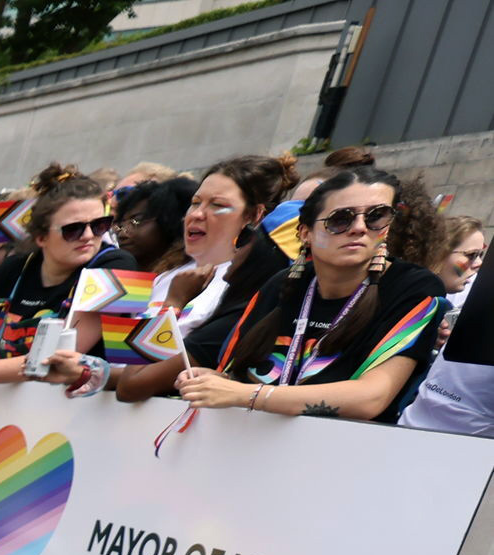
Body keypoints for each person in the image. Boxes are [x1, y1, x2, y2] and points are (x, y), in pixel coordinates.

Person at [163, 165, 447, 427]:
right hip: (253, 446)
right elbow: (236, 378)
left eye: (377, 217)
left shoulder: (413, 287)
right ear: (306, 233)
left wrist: (247, 394)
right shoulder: (282, 285)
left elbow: (371, 398)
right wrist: (217, 380)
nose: (359, 228)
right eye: (340, 219)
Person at [0, 170, 117, 386]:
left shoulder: (114, 267)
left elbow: (52, 360)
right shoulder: (13, 268)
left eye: (100, 225)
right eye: (73, 229)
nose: (89, 236)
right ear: (41, 237)